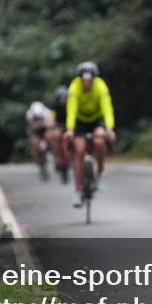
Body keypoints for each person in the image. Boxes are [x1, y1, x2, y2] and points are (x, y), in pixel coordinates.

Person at [63, 61, 116, 207]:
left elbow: (107, 107)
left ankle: (100, 171)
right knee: (79, 150)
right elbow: (71, 110)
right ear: (80, 79)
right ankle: (78, 190)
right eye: (84, 80)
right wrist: (70, 129)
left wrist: (109, 128)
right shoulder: (74, 88)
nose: (87, 83)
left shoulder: (100, 87)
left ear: (94, 79)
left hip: (97, 119)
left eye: (89, 80)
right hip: (80, 120)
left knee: (99, 140)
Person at [25, 101, 55, 180]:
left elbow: (51, 125)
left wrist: (47, 128)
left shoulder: (47, 113)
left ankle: (53, 154)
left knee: (51, 137)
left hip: (45, 130)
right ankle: (37, 160)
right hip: (36, 132)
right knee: (34, 143)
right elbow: (31, 128)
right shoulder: (29, 114)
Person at [49, 86, 70, 183]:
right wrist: (52, 126)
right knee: (55, 136)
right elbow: (52, 117)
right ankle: (57, 156)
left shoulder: (71, 103)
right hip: (59, 125)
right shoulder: (55, 105)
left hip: (70, 124)